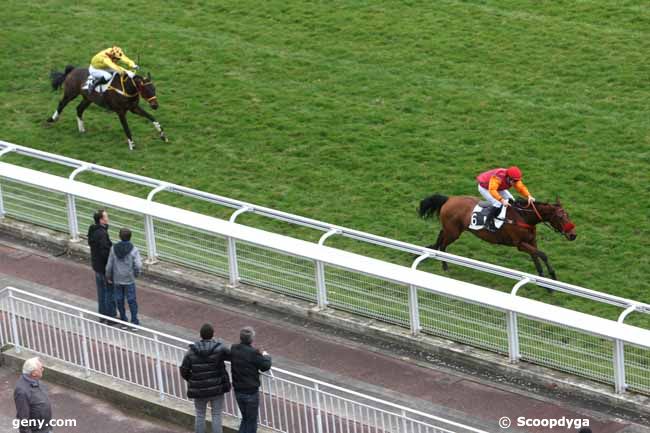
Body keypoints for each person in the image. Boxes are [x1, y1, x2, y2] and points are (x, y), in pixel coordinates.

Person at [180, 324, 232, 433]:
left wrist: (192, 379)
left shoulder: (191, 351)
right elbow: (232, 357)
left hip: (199, 389)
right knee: (217, 414)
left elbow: (184, 370)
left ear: (200, 335)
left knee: (200, 414)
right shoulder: (220, 348)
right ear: (213, 335)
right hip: (217, 388)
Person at [230, 327, 272, 433]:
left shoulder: (234, 348)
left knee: (245, 418)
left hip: (238, 390)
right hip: (251, 392)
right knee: (251, 421)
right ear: (251, 339)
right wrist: (266, 355)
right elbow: (265, 366)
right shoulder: (253, 353)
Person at [476, 166, 535, 232]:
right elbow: (492, 190)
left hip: (498, 187)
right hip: (485, 188)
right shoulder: (498, 177)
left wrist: (529, 196)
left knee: (511, 199)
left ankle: (508, 216)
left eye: (517, 180)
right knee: (497, 203)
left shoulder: (513, 179)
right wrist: (502, 200)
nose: (516, 182)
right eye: (514, 181)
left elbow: (521, 187)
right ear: (508, 177)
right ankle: (488, 222)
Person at [106, 228, 143, 330]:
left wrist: (108, 276)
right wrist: (136, 274)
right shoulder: (134, 250)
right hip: (129, 279)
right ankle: (134, 322)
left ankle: (123, 321)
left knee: (119, 300)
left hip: (117, 279)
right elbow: (138, 265)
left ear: (120, 236)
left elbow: (109, 265)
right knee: (132, 300)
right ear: (130, 237)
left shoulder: (113, 249)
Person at [88, 209, 115, 323]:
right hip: (103, 268)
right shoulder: (102, 234)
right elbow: (105, 252)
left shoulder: (93, 230)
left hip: (97, 266)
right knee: (109, 292)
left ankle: (102, 315)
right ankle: (110, 316)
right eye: (106, 217)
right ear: (101, 220)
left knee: (101, 292)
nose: (107, 218)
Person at [14, 357, 52, 433]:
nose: (43, 369)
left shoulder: (35, 380)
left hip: (45, 427)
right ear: (34, 373)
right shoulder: (22, 391)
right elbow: (23, 418)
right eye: (41, 368)